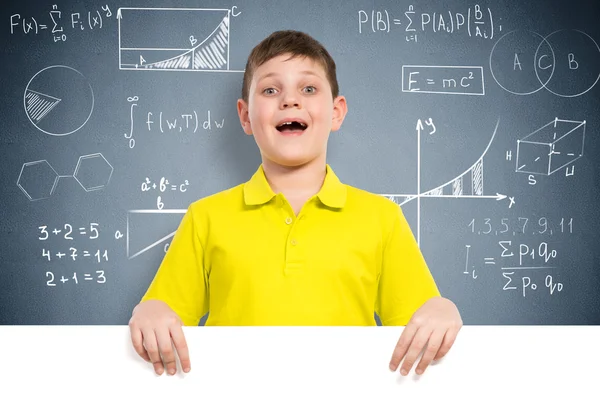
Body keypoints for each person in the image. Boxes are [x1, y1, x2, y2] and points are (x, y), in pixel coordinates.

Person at [128, 30, 462, 378]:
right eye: (271, 90)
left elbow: (420, 324)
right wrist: (150, 310)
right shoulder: (206, 217)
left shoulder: (382, 218)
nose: (289, 101)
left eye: (309, 89)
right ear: (245, 116)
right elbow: (165, 318)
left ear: (336, 112)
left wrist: (442, 310)